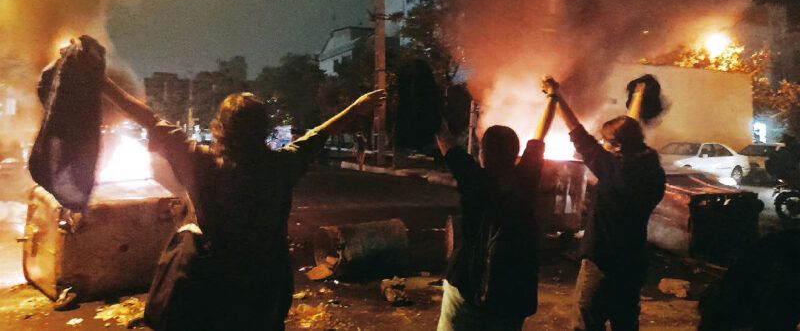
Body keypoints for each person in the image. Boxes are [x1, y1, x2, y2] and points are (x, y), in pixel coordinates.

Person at [102, 77, 385, 331]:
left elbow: (148, 118)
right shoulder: (281, 164)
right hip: (268, 285)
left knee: (184, 242)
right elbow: (318, 134)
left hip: (213, 283)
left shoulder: (198, 160)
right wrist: (356, 107)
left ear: (220, 128)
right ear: (263, 129)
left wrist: (102, 81)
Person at [543, 76, 665, 331]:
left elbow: (578, 133)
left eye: (606, 142)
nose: (602, 145)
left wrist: (557, 96)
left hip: (602, 262)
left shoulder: (612, 170)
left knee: (586, 321)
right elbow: (630, 131)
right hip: (633, 261)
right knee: (625, 322)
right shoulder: (651, 166)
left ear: (618, 147)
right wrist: (640, 95)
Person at [434, 86, 558, 331]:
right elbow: (540, 135)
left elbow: (444, 137)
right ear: (515, 154)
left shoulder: (473, 178)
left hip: (467, 286)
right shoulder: (527, 178)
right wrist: (553, 96)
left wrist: (430, 104)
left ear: (483, 152)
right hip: (512, 297)